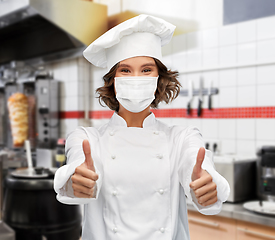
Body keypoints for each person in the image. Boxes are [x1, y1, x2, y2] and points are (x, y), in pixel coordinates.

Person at [53, 14, 230, 240]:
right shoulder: (86, 138)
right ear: (112, 80)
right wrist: (75, 183)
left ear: (159, 78)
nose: (136, 78)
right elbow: (76, 168)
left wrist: (207, 187)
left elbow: (197, 167)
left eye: (146, 70)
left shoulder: (181, 138)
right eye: (125, 70)